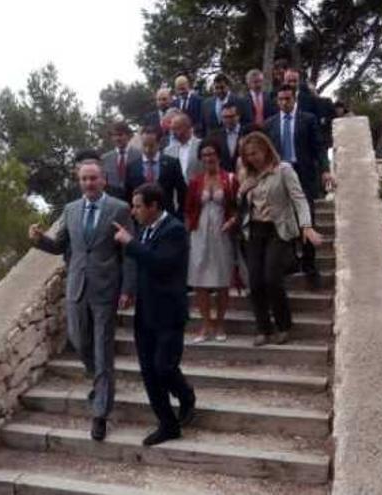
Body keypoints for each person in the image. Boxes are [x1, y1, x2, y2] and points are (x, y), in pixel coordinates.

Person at [27, 151, 136, 442]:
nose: (89, 183)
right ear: (79, 182)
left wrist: (127, 289)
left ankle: (100, 413)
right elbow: (60, 245)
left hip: (105, 289)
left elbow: (129, 254)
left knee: (102, 350)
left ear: (104, 179)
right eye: (84, 179)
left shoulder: (120, 208)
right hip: (76, 287)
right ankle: (98, 381)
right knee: (79, 341)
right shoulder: (72, 209)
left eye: (93, 178)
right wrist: (40, 240)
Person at [113, 183, 195, 446]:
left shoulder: (175, 230)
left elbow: (161, 264)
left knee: (164, 366)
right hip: (145, 312)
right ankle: (167, 424)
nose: (133, 211)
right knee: (148, 371)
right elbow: (140, 265)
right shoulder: (144, 229)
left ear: (154, 206)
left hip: (169, 312)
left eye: (138, 206)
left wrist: (130, 243)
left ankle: (186, 395)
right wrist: (128, 290)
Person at [236, 132, 323, 346]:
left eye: (254, 153)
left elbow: (299, 199)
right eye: (247, 155)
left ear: (266, 150)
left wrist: (306, 226)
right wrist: (241, 193)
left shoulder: (283, 170)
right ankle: (263, 328)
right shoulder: (246, 175)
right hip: (254, 230)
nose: (251, 158)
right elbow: (243, 205)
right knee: (254, 281)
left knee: (272, 278)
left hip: (278, 228)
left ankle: (284, 325)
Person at [264, 84, 335, 286]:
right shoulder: (270, 124)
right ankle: (291, 261)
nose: (284, 103)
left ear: (294, 99)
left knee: (307, 218)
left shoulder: (308, 120)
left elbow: (319, 147)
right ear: (277, 101)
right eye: (281, 99)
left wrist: (325, 169)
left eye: (288, 99)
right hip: (280, 177)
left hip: (304, 175)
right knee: (285, 218)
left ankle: (310, 265)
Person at [185, 138, 239, 343]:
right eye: (204, 154)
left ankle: (220, 323)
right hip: (199, 233)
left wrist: (232, 220)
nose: (208, 157)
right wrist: (190, 226)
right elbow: (188, 208)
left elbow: (237, 206)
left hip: (222, 232)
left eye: (211, 153)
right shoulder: (195, 181)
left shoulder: (230, 178)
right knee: (199, 280)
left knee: (222, 279)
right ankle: (205, 323)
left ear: (218, 155)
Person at [125, 126, 187, 220]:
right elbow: (128, 194)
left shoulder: (171, 163)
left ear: (158, 144)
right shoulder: (132, 167)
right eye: (144, 145)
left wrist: (179, 214)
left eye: (151, 146)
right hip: (140, 219)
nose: (147, 150)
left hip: (167, 217)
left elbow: (182, 192)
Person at [101, 121, 142, 199]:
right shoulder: (105, 159)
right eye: (114, 135)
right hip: (113, 200)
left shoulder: (139, 156)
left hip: (135, 199)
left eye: (120, 135)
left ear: (128, 136)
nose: (117, 138)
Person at [208, 101, 247, 172]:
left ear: (238, 116)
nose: (228, 120)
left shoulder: (246, 133)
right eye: (225, 117)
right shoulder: (215, 136)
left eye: (231, 116)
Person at [163, 113, 201, 182]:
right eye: (172, 129)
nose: (173, 133)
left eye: (176, 128)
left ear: (187, 127)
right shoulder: (168, 151)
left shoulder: (201, 145)